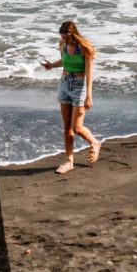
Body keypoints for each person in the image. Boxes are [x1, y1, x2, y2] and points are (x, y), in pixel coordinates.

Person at [39, 19, 100, 173]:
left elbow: (89, 72)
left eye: (66, 37)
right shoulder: (62, 44)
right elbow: (65, 62)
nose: (64, 40)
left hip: (79, 87)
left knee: (77, 127)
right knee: (67, 127)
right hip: (64, 84)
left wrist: (89, 96)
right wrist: (52, 65)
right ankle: (69, 161)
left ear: (73, 34)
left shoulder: (85, 47)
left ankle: (94, 142)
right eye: (62, 37)